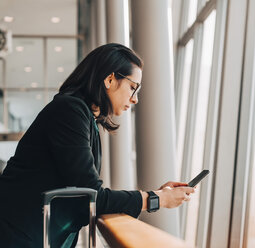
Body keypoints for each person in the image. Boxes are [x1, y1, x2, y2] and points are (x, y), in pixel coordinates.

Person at [0, 43, 195, 247]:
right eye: (133, 87)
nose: (135, 99)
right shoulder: (69, 111)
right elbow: (89, 195)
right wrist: (157, 199)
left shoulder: (82, 116)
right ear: (110, 79)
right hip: (18, 236)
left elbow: (87, 192)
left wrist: (157, 195)